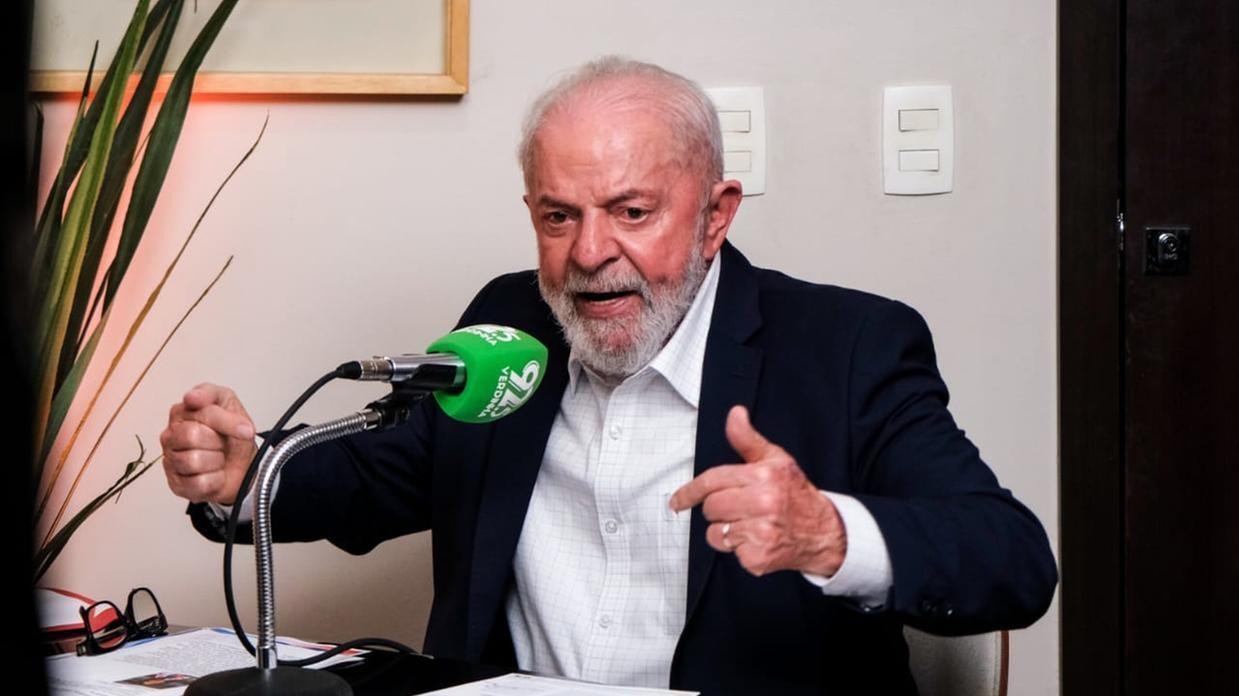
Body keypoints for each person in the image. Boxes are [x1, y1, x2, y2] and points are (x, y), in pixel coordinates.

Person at [160, 57, 1057, 695]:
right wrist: (247, 474)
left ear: (715, 216)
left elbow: (1012, 560)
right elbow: (376, 474)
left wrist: (827, 535)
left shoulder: (848, 346)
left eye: (631, 212)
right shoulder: (511, 325)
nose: (590, 253)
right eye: (559, 217)